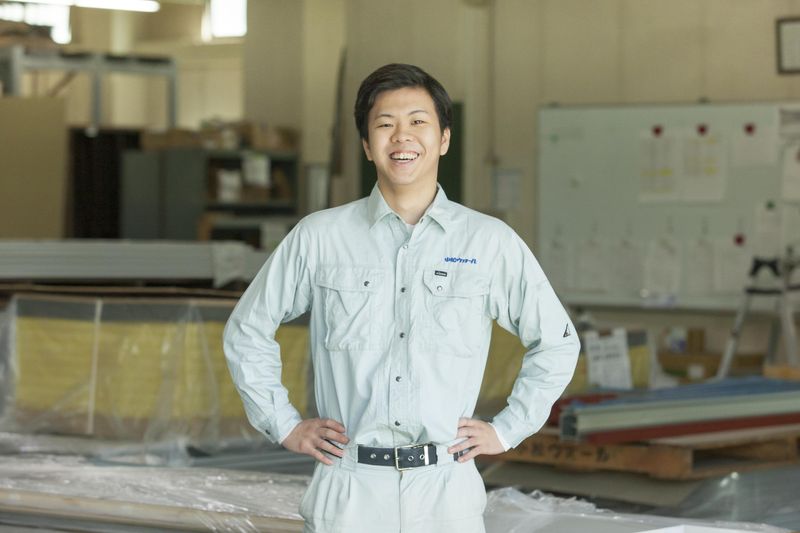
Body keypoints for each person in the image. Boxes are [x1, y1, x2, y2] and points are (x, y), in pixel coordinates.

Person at [223, 63, 579, 533]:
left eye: (417, 122)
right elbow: (247, 329)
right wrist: (282, 423)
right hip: (349, 489)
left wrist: (508, 428)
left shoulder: (489, 242)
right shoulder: (320, 237)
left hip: (446, 490)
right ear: (367, 145)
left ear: (444, 138)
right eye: (385, 124)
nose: (401, 137)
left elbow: (557, 341)